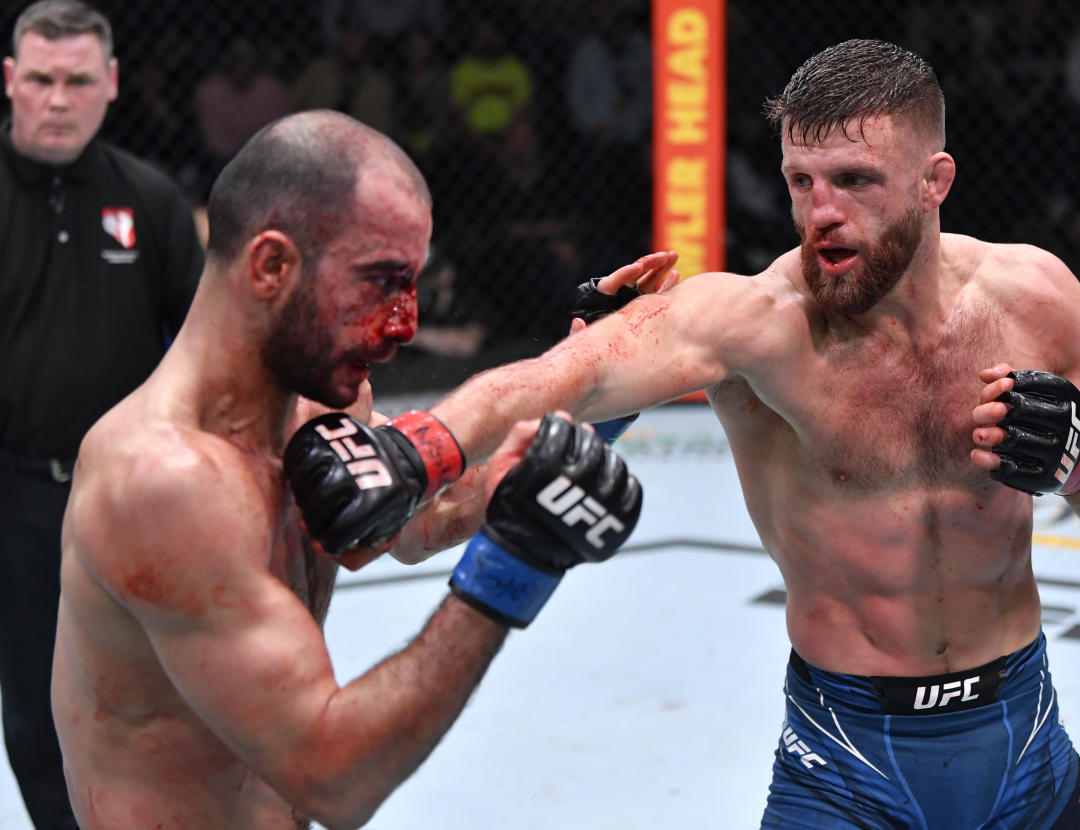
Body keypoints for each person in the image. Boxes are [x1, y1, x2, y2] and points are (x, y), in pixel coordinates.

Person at [289, 39, 1080, 828]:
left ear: (934, 182)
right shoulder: (753, 321)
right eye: (800, 183)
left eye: (856, 182)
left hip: (1026, 749)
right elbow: (558, 378)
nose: (820, 212)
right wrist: (420, 448)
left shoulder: (1033, 297)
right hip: (846, 770)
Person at [51, 109, 642, 830]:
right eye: (379, 281)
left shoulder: (313, 404)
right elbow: (334, 780)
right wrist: (516, 564)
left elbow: (421, 518)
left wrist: (586, 416)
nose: (403, 326)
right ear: (271, 267)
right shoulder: (164, 482)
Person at [1, 2, 204, 826]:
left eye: (78, 80)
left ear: (111, 84)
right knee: (34, 711)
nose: (58, 98)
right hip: (11, 495)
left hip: (126, 500)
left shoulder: (150, 201)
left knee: (150, 703)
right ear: (9, 81)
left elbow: (207, 349)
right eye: (41, 80)